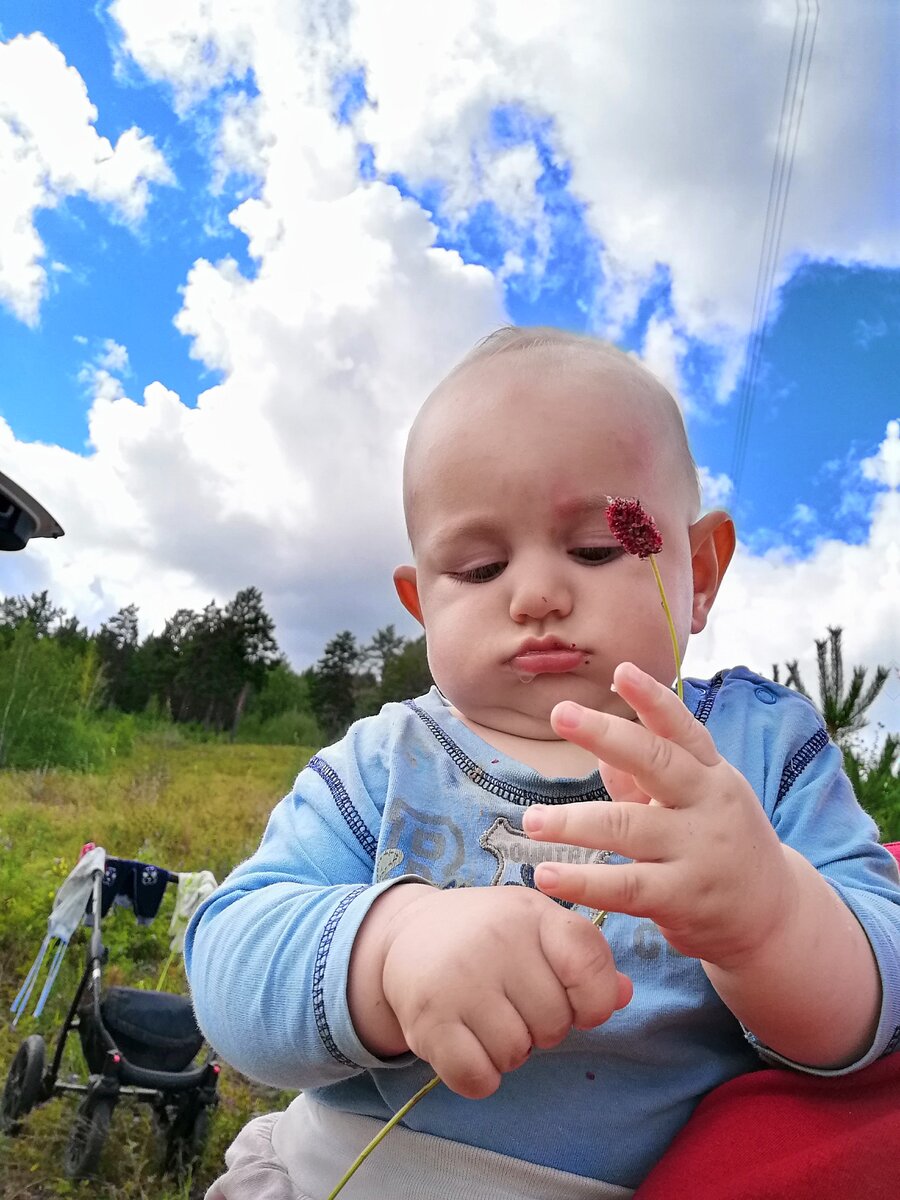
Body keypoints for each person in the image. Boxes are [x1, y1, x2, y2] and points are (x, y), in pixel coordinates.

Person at [186, 327, 900, 1199]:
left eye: (596, 550)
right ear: (420, 602)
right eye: (480, 568)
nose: (534, 596)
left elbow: (882, 990)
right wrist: (390, 950)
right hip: (342, 1175)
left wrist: (773, 920)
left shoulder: (760, 750)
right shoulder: (383, 761)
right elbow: (228, 957)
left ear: (701, 571)